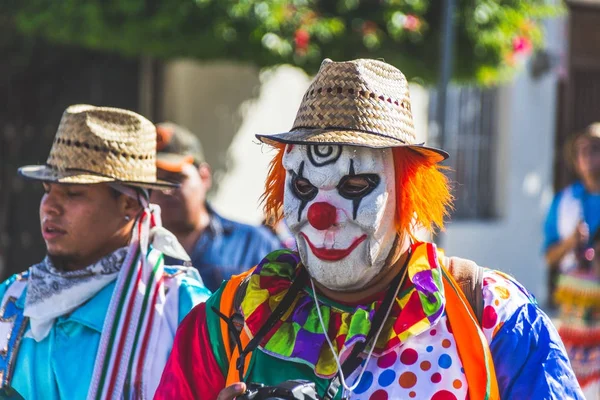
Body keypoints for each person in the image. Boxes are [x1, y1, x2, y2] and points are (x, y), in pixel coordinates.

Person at [155, 59, 583, 400]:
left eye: (355, 185)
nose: (322, 214)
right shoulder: (234, 315)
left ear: (407, 189)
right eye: (302, 186)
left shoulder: (493, 315)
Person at [0, 105, 210, 399]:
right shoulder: (12, 299)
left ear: (129, 205)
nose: (50, 206)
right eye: (47, 189)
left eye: (73, 193)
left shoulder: (180, 308)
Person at [150, 122, 282, 291]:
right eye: (154, 182)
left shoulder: (254, 245)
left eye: (174, 178)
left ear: (204, 176)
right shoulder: (133, 251)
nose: (165, 190)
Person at [544, 123, 600, 398]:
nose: (588, 157)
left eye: (595, 149)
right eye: (582, 151)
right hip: (574, 312)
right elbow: (549, 256)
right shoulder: (564, 201)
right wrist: (570, 243)